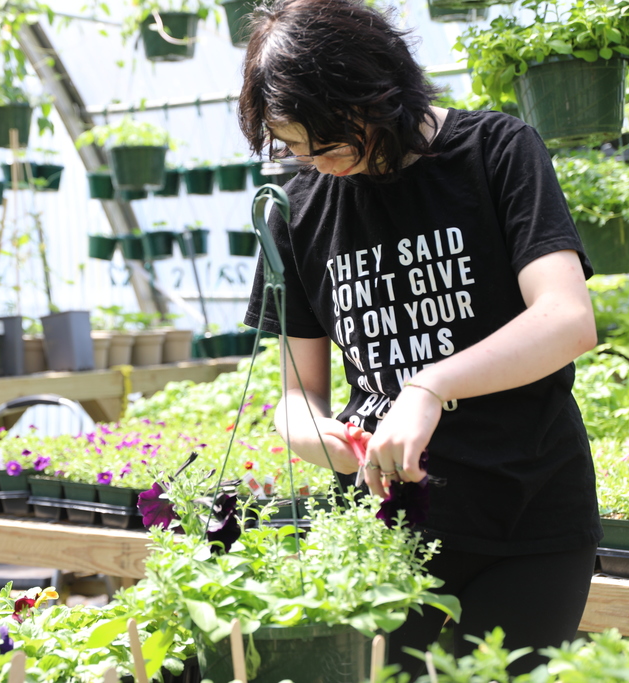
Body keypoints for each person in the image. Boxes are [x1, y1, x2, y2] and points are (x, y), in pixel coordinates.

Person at [238, 0, 602, 675]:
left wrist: (431, 384)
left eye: (330, 142)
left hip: (526, 519)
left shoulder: (496, 152)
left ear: (379, 94)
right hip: (381, 543)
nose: (318, 164)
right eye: (294, 149)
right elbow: (296, 394)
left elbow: (566, 318)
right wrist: (321, 438)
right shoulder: (299, 209)